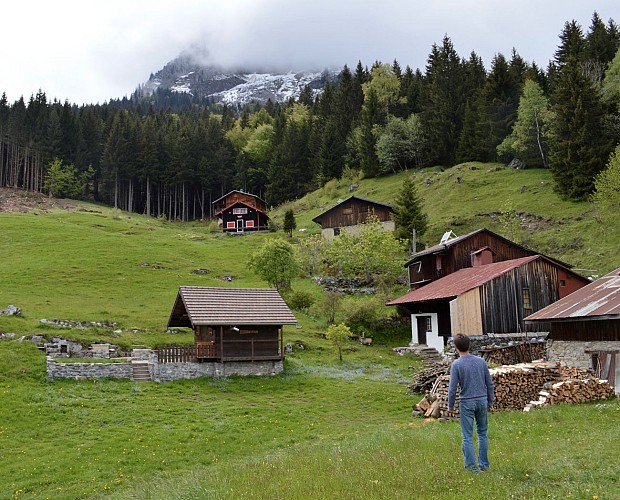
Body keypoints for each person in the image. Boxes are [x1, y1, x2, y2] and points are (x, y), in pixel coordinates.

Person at [448, 334, 495, 473]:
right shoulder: (481, 361)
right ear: (470, 345)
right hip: (482, 400)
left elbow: (452, 388)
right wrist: (490, 401)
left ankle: (471, 467)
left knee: (467, 436)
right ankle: (484, 465)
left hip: (466, 403)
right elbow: (490, 384)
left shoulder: (456, 364)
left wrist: (450, 406)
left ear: (456, 347)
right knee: (482, 434)